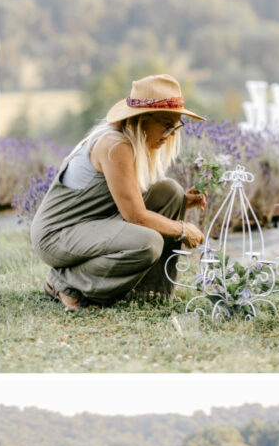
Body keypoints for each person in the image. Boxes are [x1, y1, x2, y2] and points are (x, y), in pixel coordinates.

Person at [30, 74, 209, 310]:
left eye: (176, 126)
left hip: (87, 224)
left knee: (171, 191)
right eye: (167, 125)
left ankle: (150, 292)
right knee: (147, 242)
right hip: (57, 235)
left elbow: (127, 198)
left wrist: (184, 202)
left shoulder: (125, 141)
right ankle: (65, 282)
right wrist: (182, 229)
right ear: (141, 118)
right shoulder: (115, 146)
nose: (171, 134)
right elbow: (135, 216)